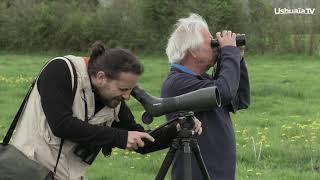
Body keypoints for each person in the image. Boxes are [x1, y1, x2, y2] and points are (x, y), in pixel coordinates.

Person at [12, 41, 202, 180]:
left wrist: (179, 127)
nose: (127, 97)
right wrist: (119, 137)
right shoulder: (61, 70)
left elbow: (143, 142)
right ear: (101, 77)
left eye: (130, 90)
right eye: (123, 89)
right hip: (27, 171)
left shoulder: (112, 100)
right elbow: (61, 125)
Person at [161, 13, 250, 180]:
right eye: (211, 42)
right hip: (196, 173)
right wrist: (229, 52)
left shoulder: (203, 80)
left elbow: (239, 99)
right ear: (194, 51)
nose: (216, 46)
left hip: (217, 171)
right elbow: (223, 92)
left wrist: (238, 59)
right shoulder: (177, 83)